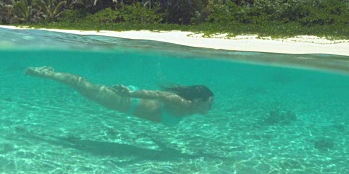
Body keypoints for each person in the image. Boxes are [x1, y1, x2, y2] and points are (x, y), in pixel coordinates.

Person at [25, 66, 214, 126]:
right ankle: (45, 73)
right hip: (127, 101)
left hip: (128, 101)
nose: (211, 107)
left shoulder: (190, 109)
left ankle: (48, 73)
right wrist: (131, 92)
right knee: (83, 85)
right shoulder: (182, 103)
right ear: (200, 100)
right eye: (210, 103)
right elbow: (157, 94)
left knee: (86, 88)